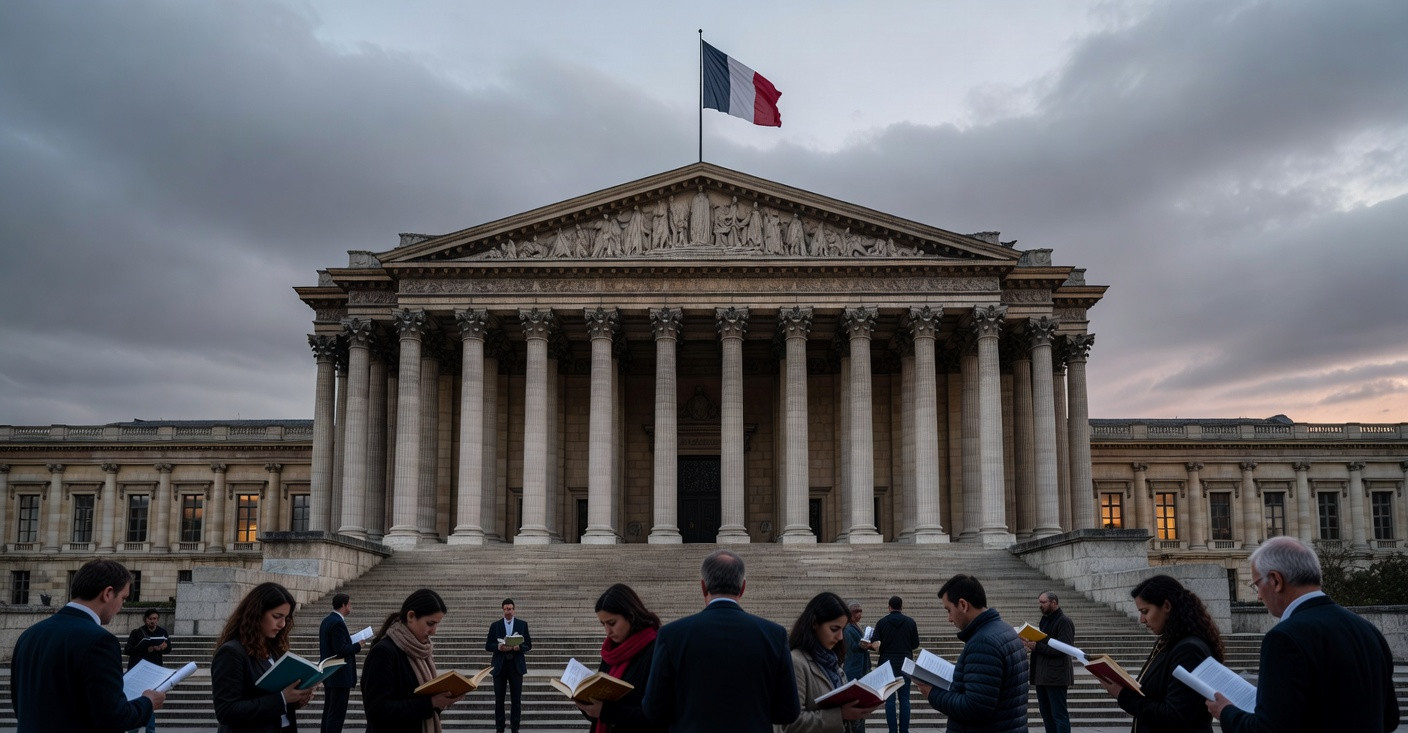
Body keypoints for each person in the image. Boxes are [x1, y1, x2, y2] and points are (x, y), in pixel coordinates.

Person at [1209, 536, 1399, 733]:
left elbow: (1268, 730)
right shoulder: (1368, 629)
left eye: (1257, 585)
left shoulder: (1284, 638)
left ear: (1276, 581)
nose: (1258, 595)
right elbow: (1390, 718)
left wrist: (1226, 712)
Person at [642, 548, 799, 733]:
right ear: (743, 587)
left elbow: (654, 710)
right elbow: (789, 711)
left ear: (703, 587)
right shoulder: (775, 635)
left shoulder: (671, 635)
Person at [9, 558, 165, 733]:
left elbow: (19, 705)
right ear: (108, 593)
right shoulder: (100, 641)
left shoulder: (29, 634)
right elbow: (113, 717)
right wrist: (148, 702)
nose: (122, 606)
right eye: (123, 598)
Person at [1096, 574, 1222, 733]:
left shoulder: (1189, 649)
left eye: (1145, 611)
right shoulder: (1169, 642)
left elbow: (1175, 715)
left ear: (1167, 606)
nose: (1142, 620)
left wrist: (1123, 695)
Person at [917, 574, 1027, 733]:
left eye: (949, 610)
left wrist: (932, 693)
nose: (949, 618)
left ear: (963, 604)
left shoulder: (984, 642)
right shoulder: (1005, 630)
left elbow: (976, 707)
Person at [212, 581, 315, 733]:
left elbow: (273, 699)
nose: (282, 624)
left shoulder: (274, 650)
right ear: (256, 613)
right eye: (277, 616)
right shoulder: (231, 652)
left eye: (286, 618)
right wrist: (282, 699)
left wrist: (297, 697)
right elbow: (227, 711)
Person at [361, 588, 467, 733]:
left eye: (437, 624)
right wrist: (431, 703)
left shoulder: (422, 651)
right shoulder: (384, 652)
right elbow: (376, 710)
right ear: (411, 616)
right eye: (430, 623)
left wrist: (443, 699)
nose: (434, 631)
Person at [780, 591, 880, 733]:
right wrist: (840, 715)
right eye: (834, 629)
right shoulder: (796, 662)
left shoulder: (833, 662)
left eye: (842, 629)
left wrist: (859, 710)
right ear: (814, 623)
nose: (840, 637)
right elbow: (788, 723)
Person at [575, 583, 666, 733]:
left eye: (612, 623)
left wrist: (606, 712)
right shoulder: (610, 651)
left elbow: (658, 713)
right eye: (602, 624)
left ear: (631, 615)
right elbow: (599, 714)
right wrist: (586, 704)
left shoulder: (656, 649)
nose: (607, 631)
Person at [1025, 591, 1074, 733]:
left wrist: (1037, 646)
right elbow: (1045, 642)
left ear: (1054, 603)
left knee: (1059, 714)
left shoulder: (1064, 621)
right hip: (1042, 675)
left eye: (1043, 602)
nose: (1040, 606)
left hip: (1056, 676)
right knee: (1046, 714)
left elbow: (1065, 649)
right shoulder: (1045, 620)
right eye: (1039, 602)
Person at [485, 597, 533, 733]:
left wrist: (519, 647)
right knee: (499, 700)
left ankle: (515, 728)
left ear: (514, 609)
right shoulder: (495, 625)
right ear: (502, 610)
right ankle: (500, 728)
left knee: (516, 700)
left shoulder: (522, 624)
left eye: (510, 609)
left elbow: (528, 644)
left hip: (516, 666)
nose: (508, 611)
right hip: (500, 666)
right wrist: (499, 647)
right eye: (505, 609)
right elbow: (488, 645)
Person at [872, 596, 918, 733]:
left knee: (890, 701)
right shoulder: (910, 622)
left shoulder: (881, 623)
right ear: (901, 607)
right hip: (905, 664)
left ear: (889, 607)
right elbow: (915, 644)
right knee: (905, 700)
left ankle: (892, 731)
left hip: (887, 665)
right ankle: (904, 731)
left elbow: (876, 643)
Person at [318, 593, 362, 733]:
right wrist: (358, 645)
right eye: (349, 604)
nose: (350, 607)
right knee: (336, 715)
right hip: (339, 675)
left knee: (329, 711)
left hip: (329, 673)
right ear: (343, 605)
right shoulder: (337, 623)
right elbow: (341, 650)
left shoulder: (327, 620)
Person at [126, 608, 172, 733]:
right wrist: (146, 648)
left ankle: (150, 730)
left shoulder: (162, 632)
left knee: (150, 702)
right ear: (146, 619)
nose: (153, 621)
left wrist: (164, 646)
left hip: (155, 672)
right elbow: (128, 650)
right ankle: (133, 730)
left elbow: (169, 649)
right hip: (139, 672)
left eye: (155, 619)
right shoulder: (137, 633)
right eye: (150, 619)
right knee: (136, 702)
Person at [841, 600, 875, 733]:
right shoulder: (849, 628)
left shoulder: (855, 626)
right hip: (854, 670)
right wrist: (868, 645)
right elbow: (852, 647)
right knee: (856, 707)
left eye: (860, 610)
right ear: (850, 614)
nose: (859, 613)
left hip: (860, 669)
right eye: (856, 611)